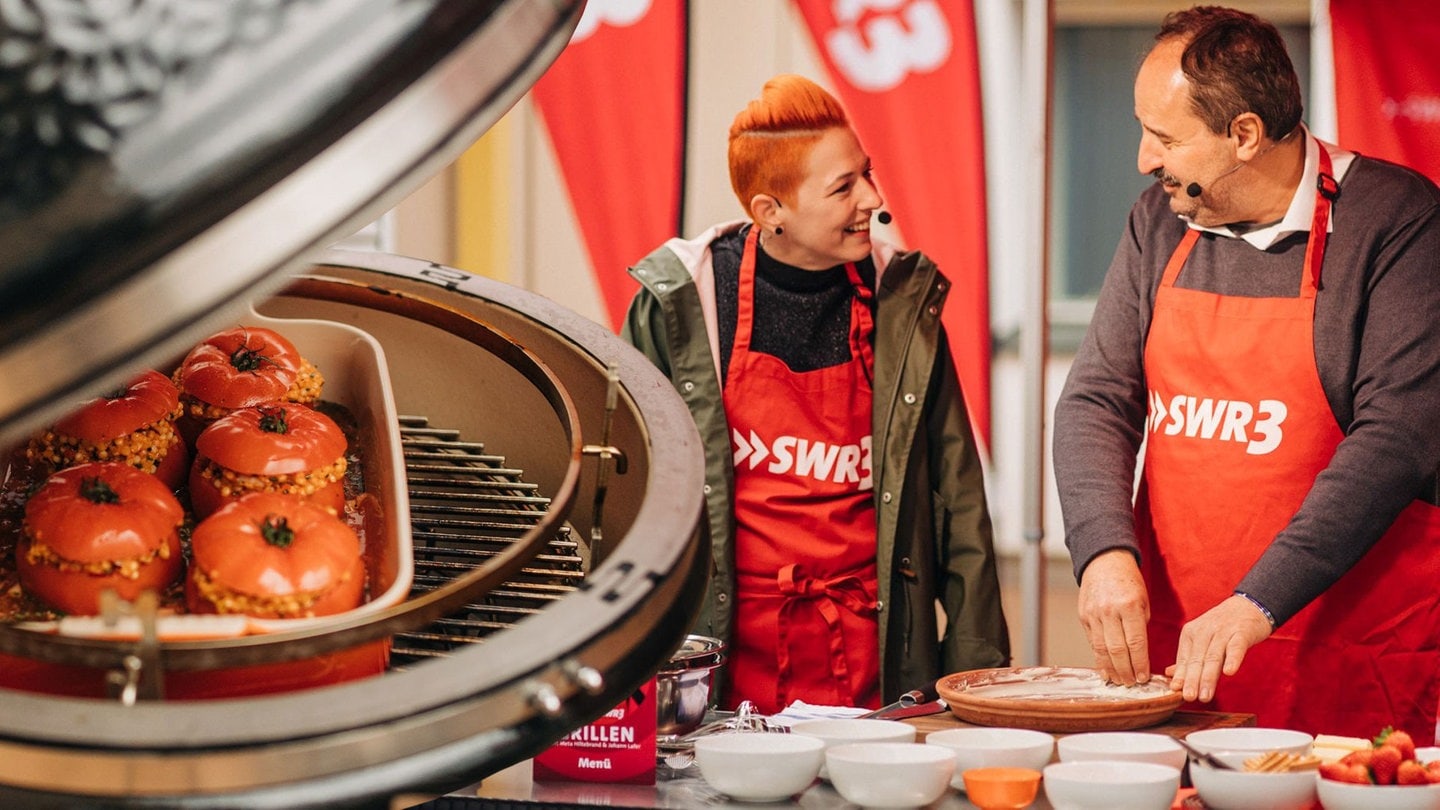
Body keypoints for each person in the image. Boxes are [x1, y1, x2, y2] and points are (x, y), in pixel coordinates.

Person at [1054, 5, 1440, 740]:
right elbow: (1096, 400)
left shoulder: (1398, 222)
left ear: (1244, 135)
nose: (1142, 158)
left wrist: (1257, 602)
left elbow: (1397, 440)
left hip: (1347, 666)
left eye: (1164, 138)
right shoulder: (1158, 221)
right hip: (1181, 664)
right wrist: (1102, 552)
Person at [621, 74, 1009, 715]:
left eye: (868, 173)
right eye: (843, 187)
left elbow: (960, 505)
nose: (875, 200)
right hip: (719, 668)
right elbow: (626, 493)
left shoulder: (903, 303)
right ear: (770, 211)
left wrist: (977, 679)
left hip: (882, 663)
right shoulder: (683, 305)